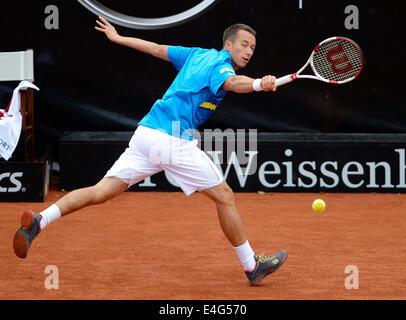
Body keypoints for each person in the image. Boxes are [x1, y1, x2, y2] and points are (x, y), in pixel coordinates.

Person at [13, 17, 287, 286]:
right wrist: (257, 84)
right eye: (244, 44)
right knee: (225, 196)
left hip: (145, 135)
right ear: (228, 44)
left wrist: (120, 39)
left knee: (100, 191)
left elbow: (156, 48)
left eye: (253, 47)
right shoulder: (221, 65)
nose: (249, 51)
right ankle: (251, 266)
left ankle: (40, 220)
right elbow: (232, 84)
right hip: (171, 139)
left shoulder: (195, 54)